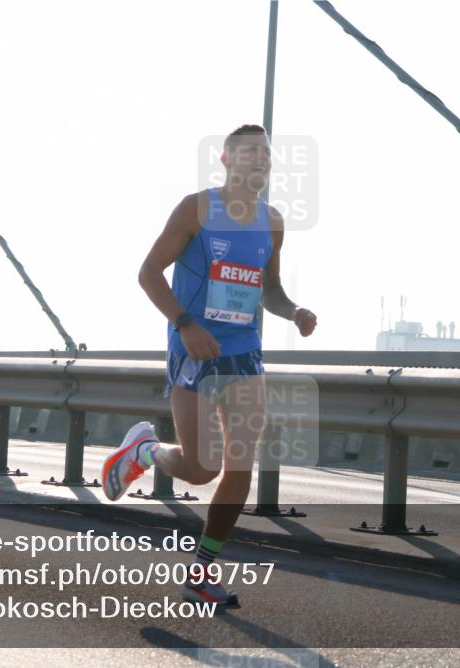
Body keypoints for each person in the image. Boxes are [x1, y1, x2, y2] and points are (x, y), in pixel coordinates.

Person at [101, 124, 317, 607]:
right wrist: (184, 325)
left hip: (244, 353)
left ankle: (202, 572)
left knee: (240, 465)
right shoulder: (197, 209)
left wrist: (294, 311)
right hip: (194, 350)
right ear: (226, 159)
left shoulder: (273, 221)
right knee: (201, 469)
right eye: (250, 152)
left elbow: (269, 289)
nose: (261, 160)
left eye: (267, 153)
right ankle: (145, 451)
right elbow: (149, 272)